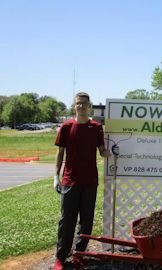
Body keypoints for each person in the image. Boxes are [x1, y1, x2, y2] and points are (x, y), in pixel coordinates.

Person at [53, 92, 111, 270]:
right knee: (66, 221)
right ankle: (61, 258)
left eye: (84, 103)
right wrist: (56, 176)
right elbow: (60, 153)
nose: (81, 106)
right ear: (74, 105)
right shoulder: (66, 127)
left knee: (86, 221)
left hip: (90, 182)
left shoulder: (96, 127)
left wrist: (110, 152)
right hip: (70, 181)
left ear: (89, 105)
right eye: (78, 103)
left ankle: (79, 254)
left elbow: (101, 150)